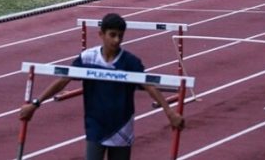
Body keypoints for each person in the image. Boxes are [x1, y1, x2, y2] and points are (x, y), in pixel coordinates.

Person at [17, 13, 185, 159]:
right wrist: (35, 104)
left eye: (120, 36)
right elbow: (63, 80)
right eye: (112, 35)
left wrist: (169, 112)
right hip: (96, 124)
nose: (116, 40)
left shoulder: (130, 62)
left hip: (122, 126)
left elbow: (149, 85)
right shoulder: (87, 58)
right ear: (101, 34)